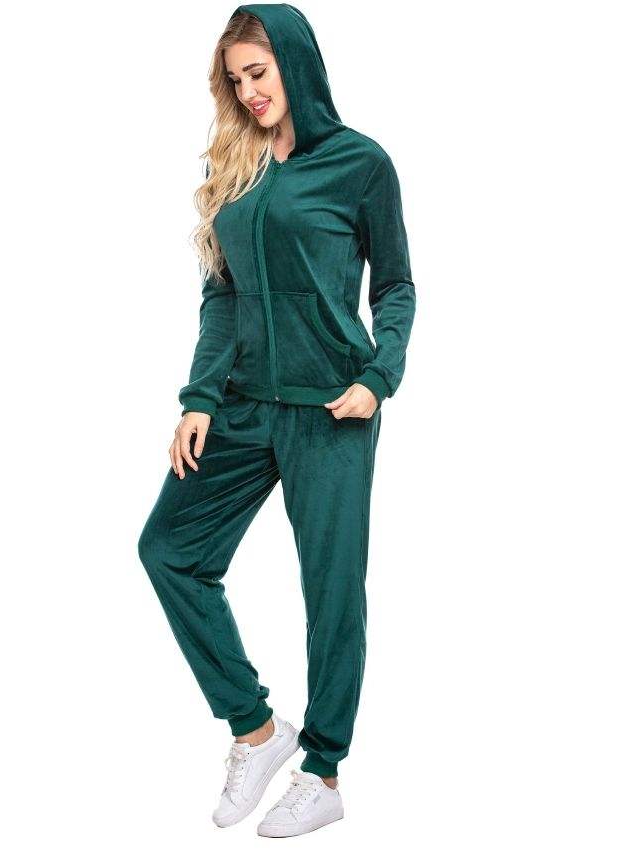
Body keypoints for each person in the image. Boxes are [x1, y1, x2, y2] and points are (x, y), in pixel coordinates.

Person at [137, 3, 416, 838]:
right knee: (170, 550)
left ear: (295, 63)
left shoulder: (361, 164)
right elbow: (221, 296)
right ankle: (256, 731)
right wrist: (198, 398)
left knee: (332, 594)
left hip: (332, 407)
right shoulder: (240, 164)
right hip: (244, 403)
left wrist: (378, 377)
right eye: (236, 80)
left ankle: (323, 770)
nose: (250, 92)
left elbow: (395, 285)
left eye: (258, 72)